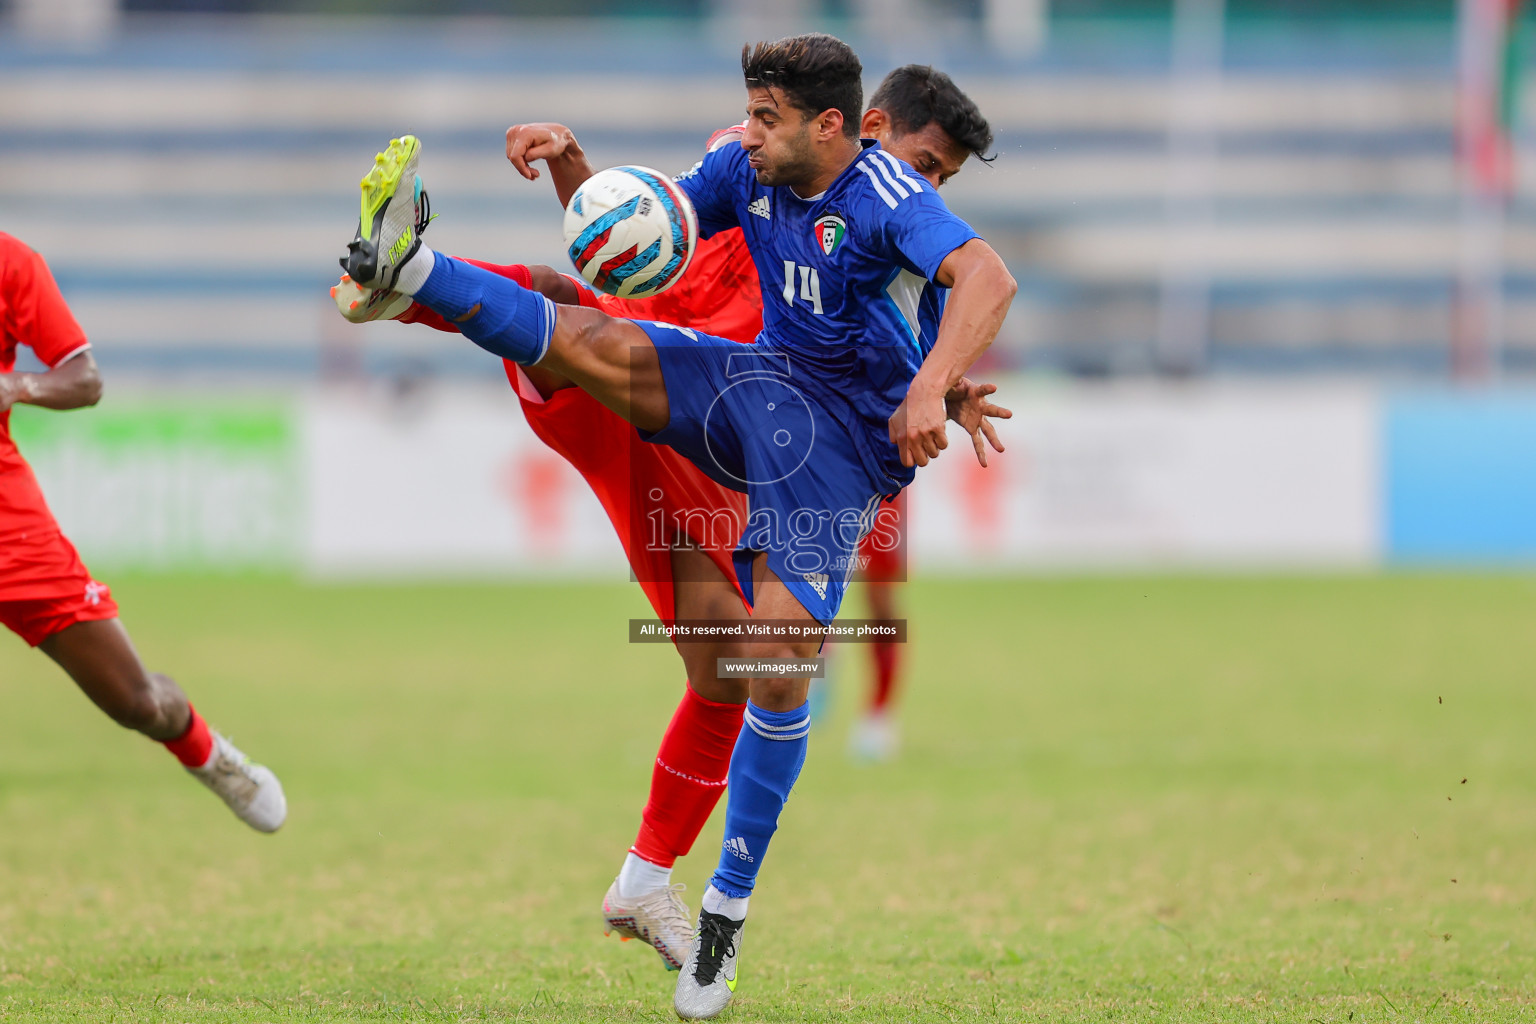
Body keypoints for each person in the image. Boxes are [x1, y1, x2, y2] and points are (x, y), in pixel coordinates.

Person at [336, 33, 1015, 1019]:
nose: (751, 130)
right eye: (924, 162)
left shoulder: (888, 203)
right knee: (572, 313)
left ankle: (710, 907)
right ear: (858, 127)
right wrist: (577, 169)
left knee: (757, 667)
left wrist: (931, 384)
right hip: (733, 390)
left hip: (812, 452)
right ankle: (406, 271)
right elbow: (647, 224)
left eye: (764, 116)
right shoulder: (758, 158)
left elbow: (976, 278)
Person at [1, 232, 286, 833]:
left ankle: (206, 752)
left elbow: (84, 379)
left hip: (10, 531)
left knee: (135, 701)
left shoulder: (12, 262)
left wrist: (17, 386)